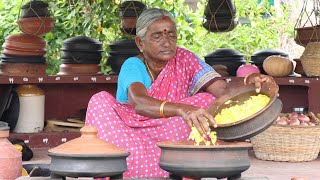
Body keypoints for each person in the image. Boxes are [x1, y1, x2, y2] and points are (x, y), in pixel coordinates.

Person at [85, 8, 273, 178]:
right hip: (129, 132)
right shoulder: (133, 65)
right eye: (157, 36)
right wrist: (183, 109)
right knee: (99, 100)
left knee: (208, 101)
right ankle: (150, 164)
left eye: (171, 35)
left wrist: (251, 83)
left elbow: (222, 90)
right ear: (140, 42)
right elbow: (140, 103)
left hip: (168, 131)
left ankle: (179, 160)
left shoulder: (185, 59)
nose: (167, 43)